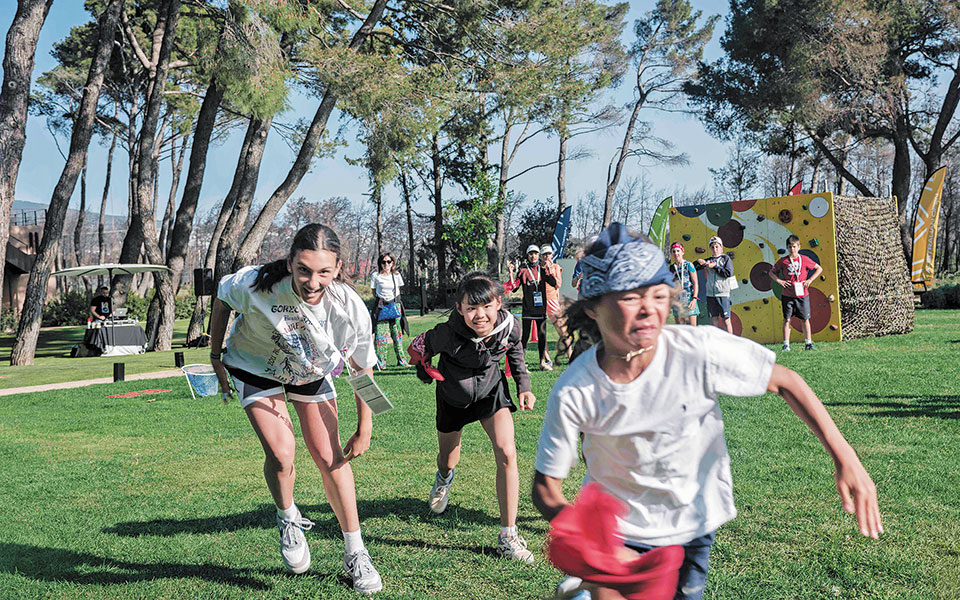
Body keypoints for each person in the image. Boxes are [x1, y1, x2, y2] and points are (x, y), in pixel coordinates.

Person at [532, 223, 882, 600]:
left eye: (658, 293)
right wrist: (584, 536)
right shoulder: (576, 389)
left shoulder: (697, 350)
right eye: (631, 297)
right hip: (618, 533)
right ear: (593, 307)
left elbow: (786, 381)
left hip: (694, 523)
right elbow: (545, 487)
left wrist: (847, 458)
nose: (649, 307)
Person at [208, 224, 383, 595]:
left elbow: (361, 368)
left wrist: (365, 425)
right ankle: (288, 517)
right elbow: (222, 296)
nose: (312, 281)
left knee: (330, 458)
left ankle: (356, 553)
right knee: (282, 455)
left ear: (338, 267)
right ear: (290, 262)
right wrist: (214, 355)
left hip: (310, 373)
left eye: (323, 271)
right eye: (303, 269)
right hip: (254, 368)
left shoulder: (349, 307)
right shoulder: (256, 284)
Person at [414, 271, 537, 563]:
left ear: (498, 303)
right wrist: (425, 370)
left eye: (486, 306)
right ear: (460, 309)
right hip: (453, 397)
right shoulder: (446, 332)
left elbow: (516, 352)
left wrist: (524, 387)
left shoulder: (510, 326)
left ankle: (508, 535)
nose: (479, 315)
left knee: (507, 453)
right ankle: (444, 478)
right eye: (471, 308)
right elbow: (420, 349)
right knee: (448, 458)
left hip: (491, 393)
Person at [504, 244, 556, 370]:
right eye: (531, 254)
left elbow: (554, 283)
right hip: (527, 310)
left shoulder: (542, 270)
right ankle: (521, 364)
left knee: (542, 336)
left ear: (539, 255)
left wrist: (549, 269)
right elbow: (515, 288)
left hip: (541, 309)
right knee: (525, 337)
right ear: (527, 255)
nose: (533, 256)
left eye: (536, 253)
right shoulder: (523, 270)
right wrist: (511, 273)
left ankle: (542, 362)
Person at [768, 235, 824, 351]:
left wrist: (809, 280)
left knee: (805, 319)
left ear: (799, 246)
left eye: (794, 246)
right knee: (787, 319)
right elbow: (771, 273)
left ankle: (808, 343)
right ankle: (786, 345)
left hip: (802, 295)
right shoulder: (784, 261)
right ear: (787, 248)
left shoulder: (804, 259)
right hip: (787, 295)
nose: (792, 249)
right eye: (790, 247)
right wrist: (780, 281)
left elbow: (819, 268)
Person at [370, 252, 409, 369]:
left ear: (392, 263)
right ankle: (381, 363)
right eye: (383, 262)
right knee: (380, 336)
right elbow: (373, 291)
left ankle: (402, 360)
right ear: (380, 263)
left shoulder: (396, 275)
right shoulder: (375, 276)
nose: (386, 264)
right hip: (382, 307)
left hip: (394, 306)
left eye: (388, 262)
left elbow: (398, 290)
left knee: (397, 335)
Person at [540, 244, 574, 363]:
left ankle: (571, 356)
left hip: (552, 301)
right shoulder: (537, 268)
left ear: (552, 255)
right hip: (540, 302)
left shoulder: (556, 267)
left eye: (548, 254)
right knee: (541, 332)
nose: (546, 257)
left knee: (562, 330)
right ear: (540, 256)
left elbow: (558, 284)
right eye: (544, 254)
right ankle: (546, 359)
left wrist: (550, 271)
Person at [696, 236, 736, 334]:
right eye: (712, 247)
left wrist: (715, 267)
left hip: (723, 294)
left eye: (717, 247)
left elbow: (728, 273)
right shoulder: (709, 260)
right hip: (710, 295)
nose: (715, 249)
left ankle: (730, 342)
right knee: (713, 321)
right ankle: (717, 343)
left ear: (721, 247)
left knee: (726, 320)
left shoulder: (726, 259)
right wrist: (699, 262)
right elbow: (696, 267)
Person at [669, 242, 699, 326]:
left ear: (683, 252)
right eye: (674, 251)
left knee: (692, 329)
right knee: (680, 329)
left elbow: (695, 283)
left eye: (678, 251)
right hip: (677, 300)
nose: (676, 253)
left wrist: (694, 299)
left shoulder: (689, 265)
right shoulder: (671, 268)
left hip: (689, 298)